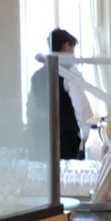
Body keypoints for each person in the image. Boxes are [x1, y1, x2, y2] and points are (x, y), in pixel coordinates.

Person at [27, 28, 90, 161]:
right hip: (65, 138)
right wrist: (88, 135)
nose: (73, 55)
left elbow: (31, 109)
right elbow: (81, 107)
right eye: (72, 50)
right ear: (65, 46)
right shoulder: (69, 74)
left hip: (41, 137)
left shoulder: (36, 76)